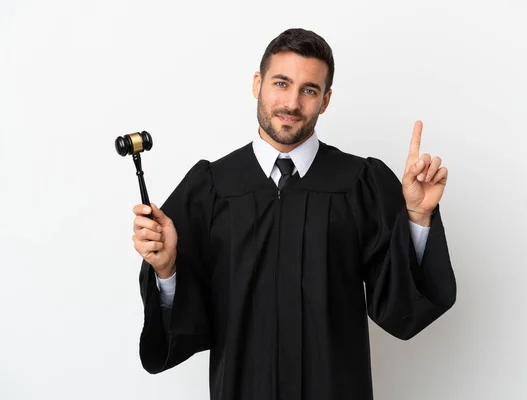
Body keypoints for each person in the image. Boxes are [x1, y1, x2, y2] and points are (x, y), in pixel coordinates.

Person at [131, 28, 456, 400]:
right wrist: (167, 269)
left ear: (326, 100)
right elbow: (186, 322)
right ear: (258, 83)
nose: (292, 103)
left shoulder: (359, 183)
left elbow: (399, 304)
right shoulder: (211, 186)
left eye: (309, 90)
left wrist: (416, 215)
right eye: (281, 83)